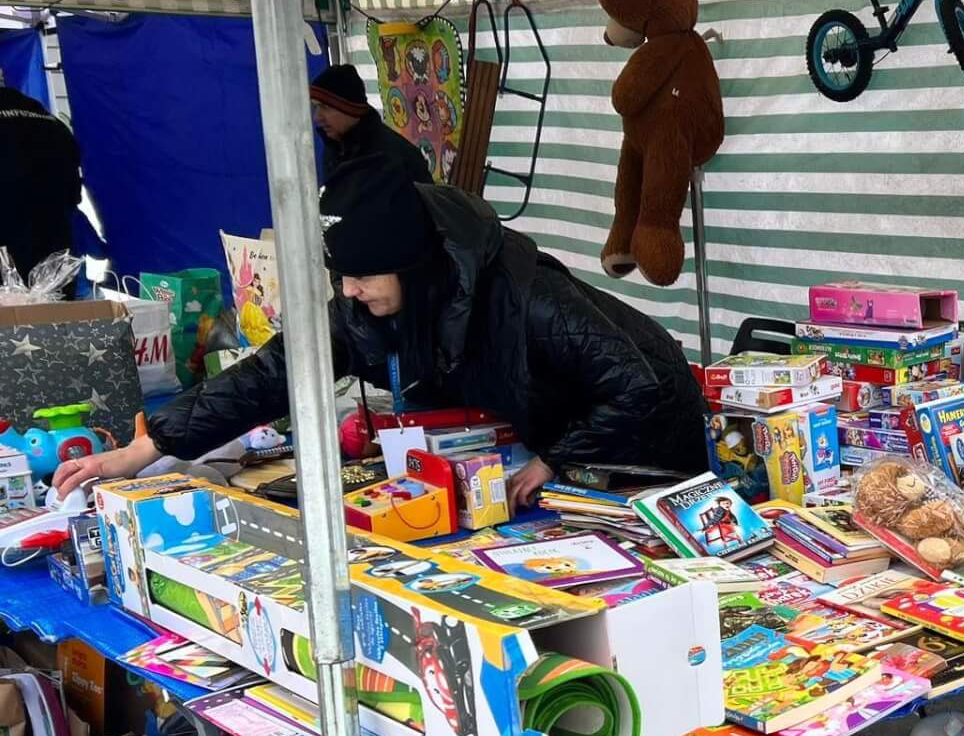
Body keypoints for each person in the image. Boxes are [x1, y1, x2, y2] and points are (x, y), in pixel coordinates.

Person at [53, 155, 708, 505]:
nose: (350, 291)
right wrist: (145, 449)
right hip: (543, 453)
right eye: (342, 275)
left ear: (413, 264)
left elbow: (638, 383)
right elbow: (272, 374)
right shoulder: (370, 306)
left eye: (365, 276)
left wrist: (556, 457)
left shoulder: (526, 293)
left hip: (645, 444)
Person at [0, 80, 83, 284]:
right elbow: (73, 194)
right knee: (58, 313)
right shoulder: (48, 119)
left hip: (7, 260)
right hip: (55, 252)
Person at [310, 64, 432, 184]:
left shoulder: (394, 157)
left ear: (348, 108)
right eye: (315, 107)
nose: (317, 117)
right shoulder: (334, 149)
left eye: (324, 107)